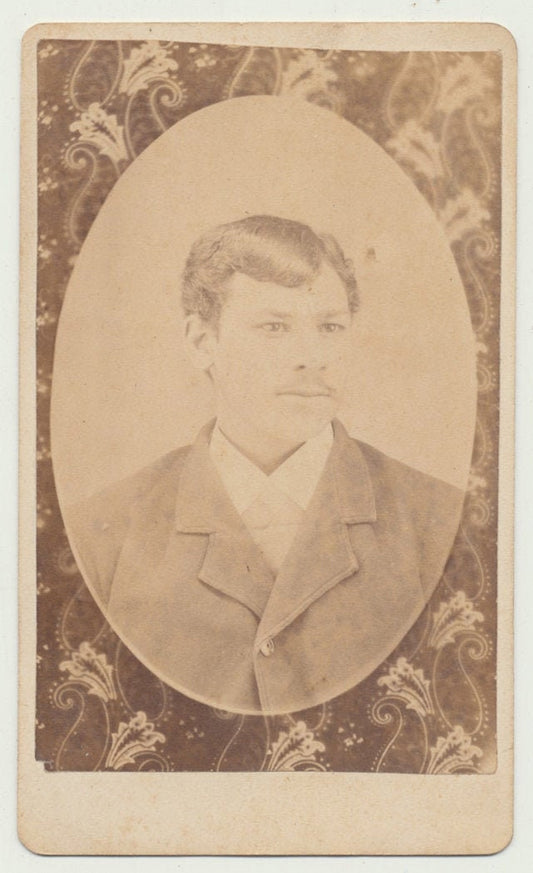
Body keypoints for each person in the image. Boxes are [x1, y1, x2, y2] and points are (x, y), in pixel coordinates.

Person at [66, 215, 464, 715]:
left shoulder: (441, 523)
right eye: (274, 327)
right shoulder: (103, 535)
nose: (312, 356)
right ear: (201, 342)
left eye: (330, 327)